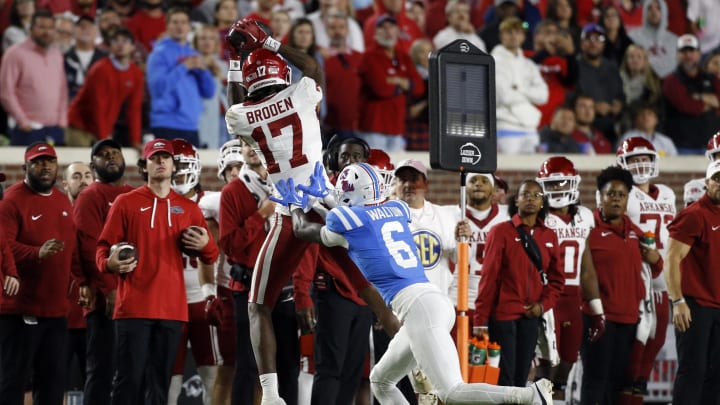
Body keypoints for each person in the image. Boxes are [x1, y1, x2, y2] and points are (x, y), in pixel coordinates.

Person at [275, 162, 554, 405]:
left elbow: (303, 230)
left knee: (453, 392)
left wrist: (295, 205)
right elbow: (355, 222)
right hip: (430, 303)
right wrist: (322, 199)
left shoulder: (349, 219)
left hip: (420, 309)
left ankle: (530, 396)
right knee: (381, 381)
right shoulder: (397, 209)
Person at [224, 18, 327, 404]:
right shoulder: (302, 92)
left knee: (257, 307)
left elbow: (235, 109)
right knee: (370, 289)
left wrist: (236, 60)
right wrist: (269, 41)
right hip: (327, 203)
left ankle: (269, 395)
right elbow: (314, 67)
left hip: (288, 213)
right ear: (282, 73)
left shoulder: (244, 115)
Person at [95, 139, 219, 404]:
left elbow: (211, 255)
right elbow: (103, 248)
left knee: (160, 387)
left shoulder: (189, 209)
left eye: (165, 158)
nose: (160, 162)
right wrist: (109, 264)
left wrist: (207, 244)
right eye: (154, 158)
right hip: (133, 309)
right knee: (128, 383)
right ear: (144, 166)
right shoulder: (125, 203)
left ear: (174, 165)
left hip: (172, 311)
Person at [0, 142, 81, 405]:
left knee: (53, 386)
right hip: (20, 311)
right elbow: (4, 246)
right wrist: (36, 253)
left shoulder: (61, 199)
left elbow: (72, 248)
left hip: (56, 312)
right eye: (37, 162)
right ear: (25, 167)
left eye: (50, 161)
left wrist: (82, 282)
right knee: (12, 383)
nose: (45, 166)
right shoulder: (12, 200)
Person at [582, 166, 663, 405]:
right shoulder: (589, 229)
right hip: (599, 318)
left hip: (629, 319)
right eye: (611, 194)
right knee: (595, 380)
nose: (616, 199)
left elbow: (655, 270)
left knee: (618, 384)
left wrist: (656, 259)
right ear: (600, 197)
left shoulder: (634, 232)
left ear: (628, 199)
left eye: (621, 194)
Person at [473, 179, 565, 388]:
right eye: (525, 195)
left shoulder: (549, 236)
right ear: (517, 200)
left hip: (531, 317)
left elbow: (557, 280)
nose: (531, 199)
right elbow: (488, 278)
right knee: (504, 378)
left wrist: (542, 306)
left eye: (536, 195)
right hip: (503, 317)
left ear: (543, 202)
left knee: (522, 376)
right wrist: (480, 320)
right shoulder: (501, 232)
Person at [534, 156, 604, 401]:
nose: (557, 190)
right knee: (544, 367)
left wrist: (597, 310)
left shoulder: (585, 216)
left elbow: (586, 268)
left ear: (573, 183)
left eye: (562, 183)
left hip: (573, 298)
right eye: (552, 185)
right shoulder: (537, 217)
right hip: (546, 297)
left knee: (567, 363)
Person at [615, 137, 677, 404]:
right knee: (634, 345)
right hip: (637, 277)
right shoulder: (621, 192)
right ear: (622, 163)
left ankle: (635, 394)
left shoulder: (667, 193)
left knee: (656, 341)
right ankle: (625, 396)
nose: (640, 165)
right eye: (634, 160)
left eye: (644, 159)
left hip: (662, 278)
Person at [73, 138, 134, 405]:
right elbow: (87, 246)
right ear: (92, 164)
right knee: (101, 371)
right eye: (103, 154)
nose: (110, 157)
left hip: (134, 300)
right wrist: (108, 288)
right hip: (104, 302)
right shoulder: (90, 196)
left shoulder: (134, 195)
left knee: (131, 372)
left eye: (115, 152)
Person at [168, 139, 222, 405]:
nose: (179, 173)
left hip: (204, 298)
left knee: (213, 374)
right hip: (169, 301)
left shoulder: (213, 201)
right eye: (174, 167)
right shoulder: (157, 203)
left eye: (184, 167)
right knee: (169, 378)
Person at [664, 159, 720, 404]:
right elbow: (672, 259)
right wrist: (677, 300)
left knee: (716, 376)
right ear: (707, 182)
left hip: (717, 305)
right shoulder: (694, 215)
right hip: (695, 305)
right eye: (717, 178)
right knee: (692, 372)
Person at [146, 7, 215, 147]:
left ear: (189, 26)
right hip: (166, 123)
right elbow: (158, 88)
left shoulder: (193, 53)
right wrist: (184, 67)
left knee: (190, 169)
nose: (180, 26)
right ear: (167, 26)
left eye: (183, 22)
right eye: (175, 22)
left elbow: (209, 92)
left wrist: (203, 72)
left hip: (191, 124)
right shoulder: (158, 54)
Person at [67, 27, 144, 149]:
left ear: (133, 46)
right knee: (81, 165)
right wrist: (104, 138)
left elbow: (134, 109)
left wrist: (135, 140)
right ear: (110, 47)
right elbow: (98, 106)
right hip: (79, 125)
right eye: (115, 41)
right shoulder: (101, 69)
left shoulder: (136, 74)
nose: (120, 44)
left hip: (102, 127)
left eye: (125, 41)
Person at [0, 9, 67, 146]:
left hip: (55, 129)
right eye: (41, 27)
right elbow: (6, 92)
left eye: (50, 28)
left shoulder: (56, 54)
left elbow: (62, 89)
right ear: (30, 29)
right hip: (26, 130)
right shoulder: (15, 53)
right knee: (25, 167)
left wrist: (62, 120)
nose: (46, 32)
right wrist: (23, 121)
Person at [453, 172, 510, 331]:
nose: (478, 184)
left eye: (484, 181)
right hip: (458, 298)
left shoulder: (508, 216)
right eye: (473, 181)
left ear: (494, 190)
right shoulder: (451, 215)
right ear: (465, 188)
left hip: (496, 301)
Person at [492, 16, 549, 154]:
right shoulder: (493, 61)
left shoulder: (529, 65)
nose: (513, 36)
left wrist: (520, 89)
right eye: (509, 32)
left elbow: (543, 95)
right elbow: (504, 96)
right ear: (501, 36)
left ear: (523, 36)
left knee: (532, 173)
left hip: (530, 127)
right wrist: (529, 95)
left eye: (517, 32)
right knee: (507, 172)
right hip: (505, 125)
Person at [662, 33, 720, 154]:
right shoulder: (670, 81)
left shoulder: (712, 78)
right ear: (677, 55)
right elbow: (687, 106)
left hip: (713, 146)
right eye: (684, 51)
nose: (688, 55)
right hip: (683, 146)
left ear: (699, 54)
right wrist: (711, 102)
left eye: (692, 51)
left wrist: (699, 97)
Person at [627, 0, 678, 79]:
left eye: (658, 8)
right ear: (644, 12)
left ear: (664, 12)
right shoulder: (633, 37)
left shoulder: (674, 40)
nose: (654, 11)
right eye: (650, 8)